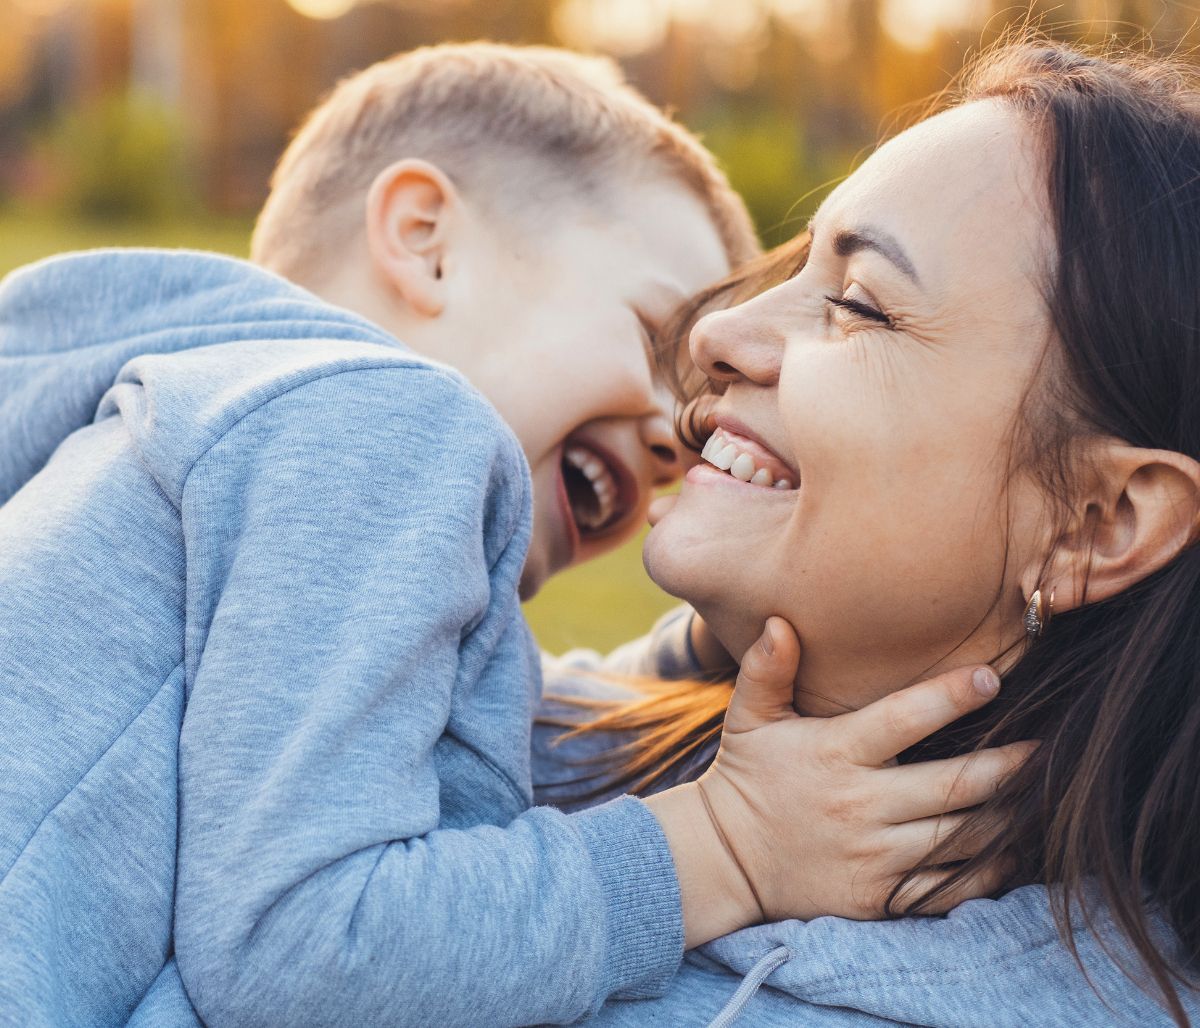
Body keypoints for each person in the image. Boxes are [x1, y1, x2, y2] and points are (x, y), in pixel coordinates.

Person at [0, 43, 1019, 1027]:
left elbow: (536, 715)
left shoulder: (196, 438)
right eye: (656, 336)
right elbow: (306, 944)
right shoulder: (387, 420)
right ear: (424, 241)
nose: (685, 427)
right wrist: (725, 843)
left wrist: (721, 637)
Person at [536, 35, 1200, 1027]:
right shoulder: (581, 732)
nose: (721, 332)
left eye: (856, 304)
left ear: (1094, 525)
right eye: (797, 266)